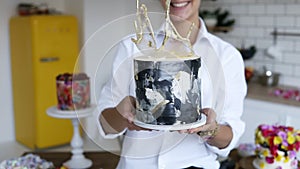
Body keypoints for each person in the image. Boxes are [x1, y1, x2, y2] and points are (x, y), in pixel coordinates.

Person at [97, 0, 247, 168]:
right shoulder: (131, 47)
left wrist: (209, 129)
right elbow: (105, 125)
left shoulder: (226, 56)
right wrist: (122, 115)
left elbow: (229, 137)